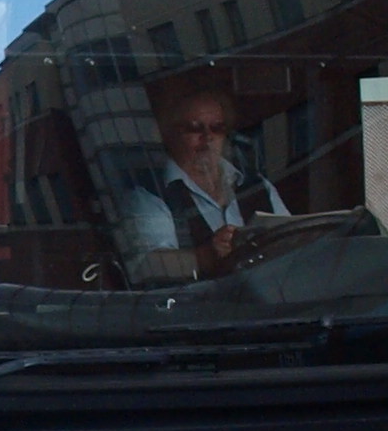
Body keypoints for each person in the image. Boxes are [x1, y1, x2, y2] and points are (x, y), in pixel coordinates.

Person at [120, 78, 289, 280]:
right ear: (169, 133)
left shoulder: (259, 186)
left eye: (217, 128)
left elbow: (290, 240)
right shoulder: (149, 194)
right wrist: (206, 256)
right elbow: (148, 266)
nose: (208, 137)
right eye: (194, 128)